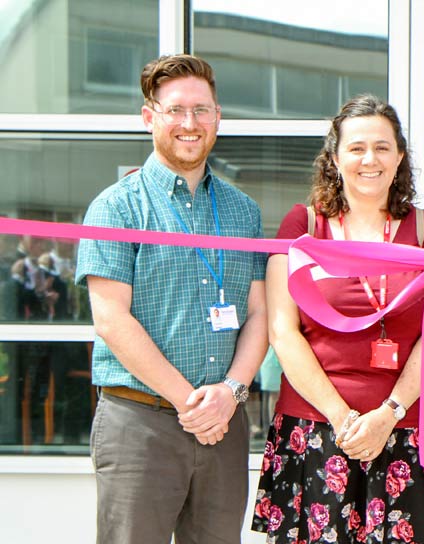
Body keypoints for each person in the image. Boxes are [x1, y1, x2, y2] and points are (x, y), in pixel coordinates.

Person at [75, 54, 268, 543]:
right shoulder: (116, 206)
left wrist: (231, 393)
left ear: (218, 117)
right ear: (149, 118)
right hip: (140, 425)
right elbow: (111, 321)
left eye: (202, 110)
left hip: (224, 424)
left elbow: (259, 313)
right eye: (176, 110)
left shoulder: (242, 211)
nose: (190, 123)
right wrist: (191, 404)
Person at [252, 94, 424, 544]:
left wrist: (387, 414)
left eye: (383, 147)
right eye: (357, 147)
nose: (370, 159)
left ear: (400, 156)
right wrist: (342, 418)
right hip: (316, 430)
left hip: (406, 430)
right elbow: (283, 332)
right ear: (335, 156)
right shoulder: (302, 225)